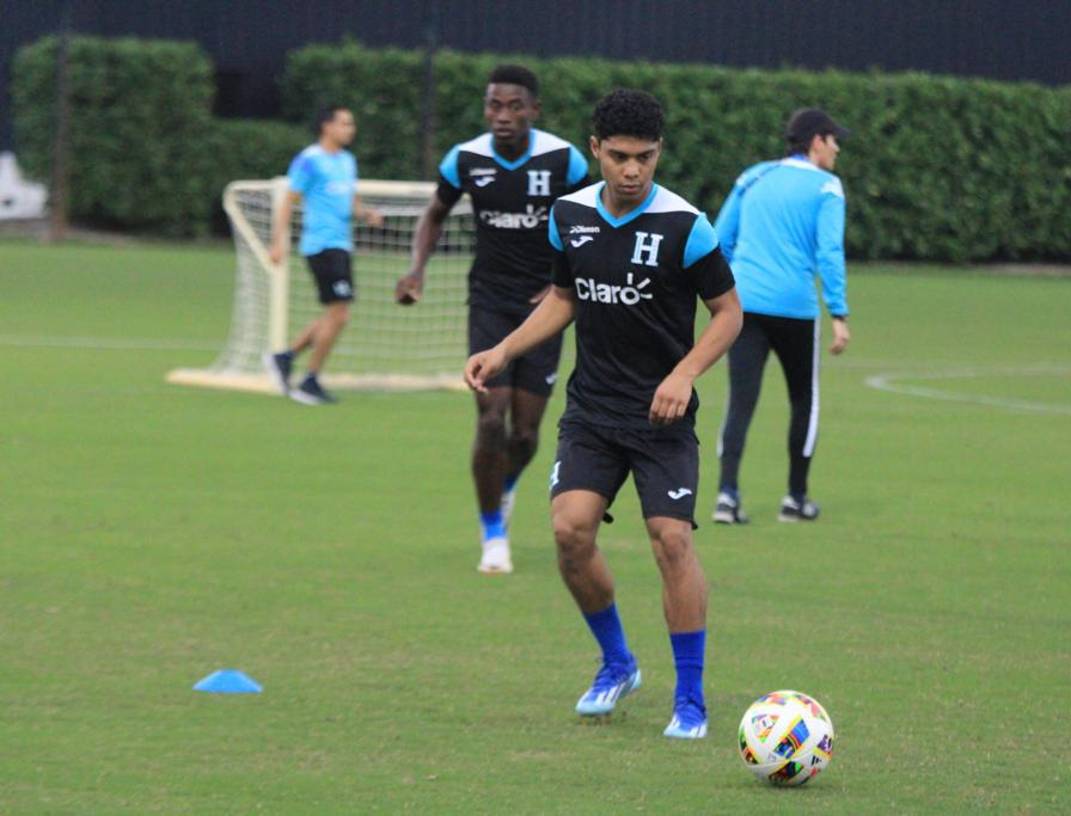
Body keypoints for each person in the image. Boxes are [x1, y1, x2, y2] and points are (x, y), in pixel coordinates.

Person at [464, 89, 742, 739]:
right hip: (592, 410)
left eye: (645, 157)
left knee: (672, 540)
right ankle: (617, 663)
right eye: (618, 157)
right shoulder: (568, 215)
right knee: (569, 534)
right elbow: (565, 296)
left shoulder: (685, 224)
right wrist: (504, 348)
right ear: (596, 150)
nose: (632, 170)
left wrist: (684, 372)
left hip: (662, 418)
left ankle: (691, 699)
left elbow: (729, 313)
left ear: (658, 154)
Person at [396, 65, 589, 575]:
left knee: (525, 435)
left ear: (534, 110)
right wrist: (417, 268)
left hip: (545, 309)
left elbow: (590, 220)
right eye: (494, 106)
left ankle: (503, 487)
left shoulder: (563, 160)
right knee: (489, 418)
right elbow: (435, 213)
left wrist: (564, 281)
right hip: (488, 303)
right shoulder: (466, 159)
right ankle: (492, 533)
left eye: (514, 106)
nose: (503, 116)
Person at [710, 108, 851, 525]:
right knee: (804, 400)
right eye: (833, 139)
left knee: (740, 401)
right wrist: (839, 312)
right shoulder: (827, 187)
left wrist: (734, 284)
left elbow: (720, 238)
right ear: (816, 142)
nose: (837, 148)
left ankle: (726, 497)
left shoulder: (753, 176)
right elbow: (829, 252)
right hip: (795, 309)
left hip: (745, 305)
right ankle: (795, 498)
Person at [265, 106, 383, 405]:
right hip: (320, 245)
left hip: (341, 245)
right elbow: (288, 202)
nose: (350, 129)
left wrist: (366, 213)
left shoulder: (347, 161)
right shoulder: (309, 160)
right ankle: (310, 379)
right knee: (340, 313)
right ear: (326, 127)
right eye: (345, 123)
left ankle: (285, 358)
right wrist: (279, 241)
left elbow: (351, 202)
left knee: (335, 313)